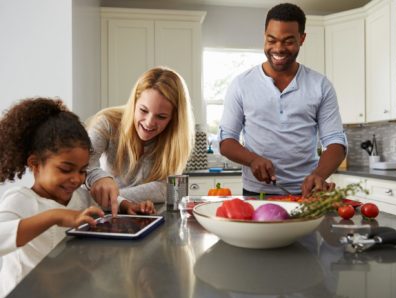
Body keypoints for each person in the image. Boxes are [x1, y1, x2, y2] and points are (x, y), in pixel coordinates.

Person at [0, 98, 145, 298]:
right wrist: (56, 216)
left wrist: (126, 205)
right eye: (66, 169)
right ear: (35, 163)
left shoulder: (80, 197)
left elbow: (102, 202)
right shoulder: (20, 200)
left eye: (82, 170)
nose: (76, 179)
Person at [218, 3, 347, 197]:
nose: (278, 48)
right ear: (264, 36)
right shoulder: (241, 84)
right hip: (256, 192)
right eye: (272, 40)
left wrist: (319, 174)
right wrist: (253, 160)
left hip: (307, 192)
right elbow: (226, 141)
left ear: (302, 39)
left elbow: (336, 142)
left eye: (288, 41)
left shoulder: (320, 85)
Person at [86, 67, 195, 216]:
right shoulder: (107, 123)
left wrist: (111, 198)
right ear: (134, 104)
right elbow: (84, 166)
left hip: (145, 214)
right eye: (143, 110)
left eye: (161, 117)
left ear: (173, 119)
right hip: (108, 215)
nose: (149, 123)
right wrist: (107, 186)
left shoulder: (174, 142)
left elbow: (165, 188)